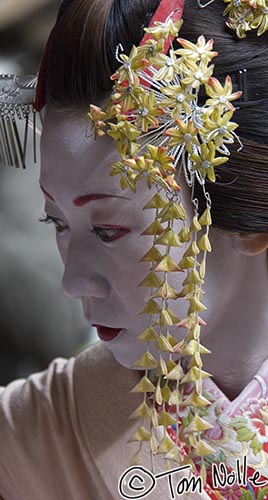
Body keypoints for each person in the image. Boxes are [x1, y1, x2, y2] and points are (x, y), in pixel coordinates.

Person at [0, 0, 268, 499]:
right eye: (55, 221)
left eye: (107, 230)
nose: (72, 281)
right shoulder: (25, 439)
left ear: (250, 217)